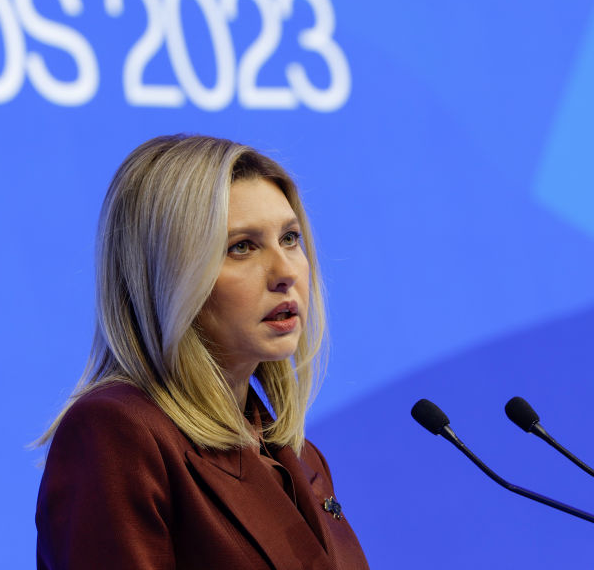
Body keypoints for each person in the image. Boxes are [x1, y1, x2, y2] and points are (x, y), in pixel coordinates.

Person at [34, 134, 369, 569]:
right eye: (241, 247)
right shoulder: (118, 433)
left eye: (290, 238)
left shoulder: (299, 457)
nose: (286, 272)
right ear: (168, 275)